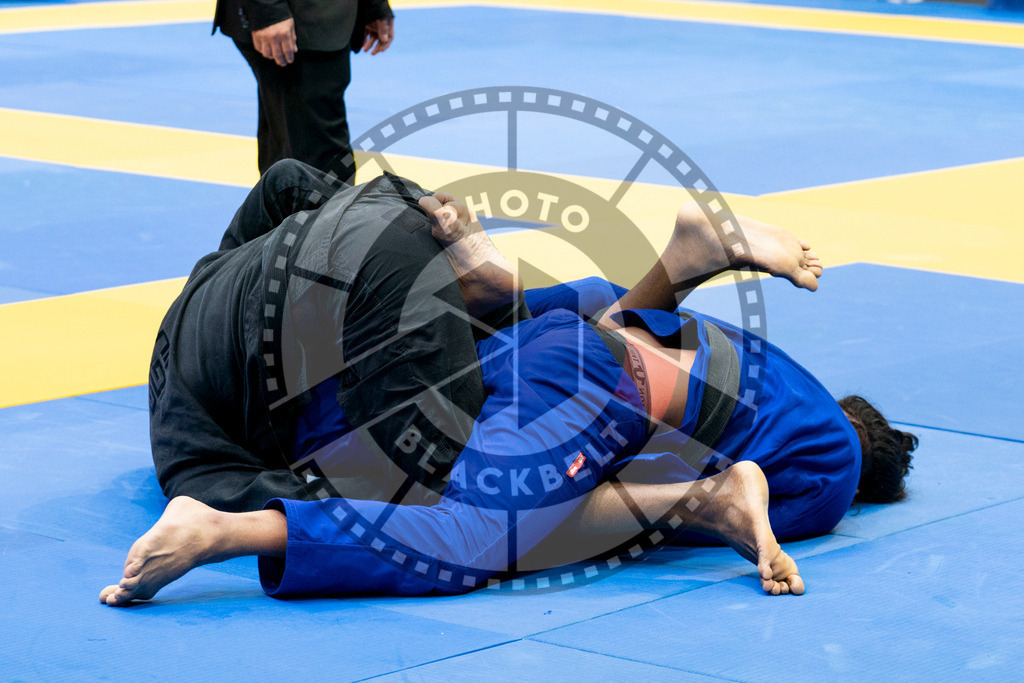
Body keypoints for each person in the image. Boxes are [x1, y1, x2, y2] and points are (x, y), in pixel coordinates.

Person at [100, 161, 915, 605]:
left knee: (421, 427)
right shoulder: (834, 469)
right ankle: (226, 530)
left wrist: (503, 291)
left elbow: (610, 320)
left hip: (559, 342)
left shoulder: (781, 377)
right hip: (598, 385)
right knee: (475, 534)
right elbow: (612, 513)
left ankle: (545, 275)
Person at [213, 0, 394, 183]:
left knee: (290, 148)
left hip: (318, 20)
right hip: (296, 22)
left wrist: (374, 5)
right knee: (318, 164)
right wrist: (268, 11)